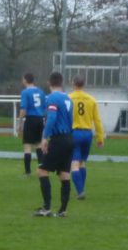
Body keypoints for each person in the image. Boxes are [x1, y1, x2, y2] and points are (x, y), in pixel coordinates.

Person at [35, 72, 74, 217]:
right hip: (70, 138)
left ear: (49, 83)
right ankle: (63, 210)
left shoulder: (52, 97)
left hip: (59, 139)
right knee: (64, 174)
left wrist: (45, 137)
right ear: (62, 82)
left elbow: (51, 118)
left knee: (42, 171)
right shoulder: (68, 98)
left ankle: (46, 208)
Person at [69, 75, 105, 200]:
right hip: (87, 134)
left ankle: (80, 191)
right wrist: (100, 138)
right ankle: (81, 189)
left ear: (73, 84)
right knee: (82, 162)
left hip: (74, 133)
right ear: (84, 85)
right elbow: (97, 121)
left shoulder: (69, 98)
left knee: (74, 163)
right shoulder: (91, 99)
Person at [18, 72, 45, 177]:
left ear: (25, 80)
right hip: (40, 119)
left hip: (30, 120)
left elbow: (23, 109)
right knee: (38, 145)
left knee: (27, 146)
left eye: (22, 79)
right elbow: (44, 107)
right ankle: (42, 168)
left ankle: (28, 172)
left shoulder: (25, 92)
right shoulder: (41, 91)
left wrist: (20, 122)